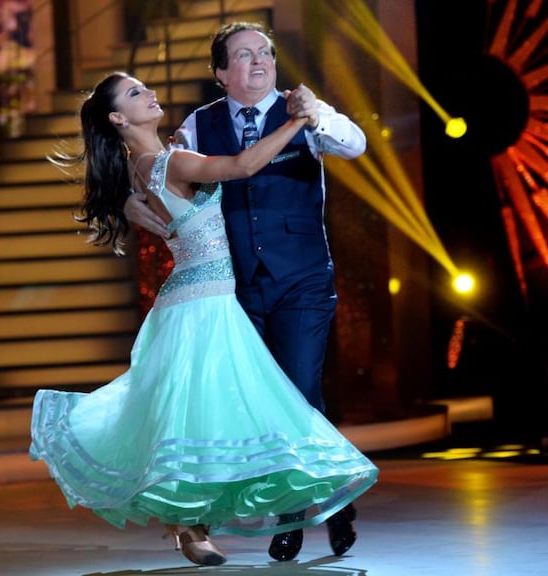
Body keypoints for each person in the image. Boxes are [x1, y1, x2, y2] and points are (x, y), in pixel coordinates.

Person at [29, 71, 378, 568]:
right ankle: (194, 526)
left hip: (195, 301)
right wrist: (298, 119)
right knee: (213, 416)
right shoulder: (169, 160)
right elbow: (242, 165)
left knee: (197, 418)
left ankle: (189, 528)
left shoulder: (140, 165)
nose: (150, 93)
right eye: (135, 93)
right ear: (117, 118)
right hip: (202, 307)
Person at [123, 22, 367, 561]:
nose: (258, 63)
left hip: (302, 278)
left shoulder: (301, 107)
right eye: (243, 55)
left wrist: (317, 113)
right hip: (235, 287)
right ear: (220, 74)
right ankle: (327, 497)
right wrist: (128, 201)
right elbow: (156, 168)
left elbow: (354, 144)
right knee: (259, 402)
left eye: (266, 54)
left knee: (299, 390)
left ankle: (295, 514)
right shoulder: (198, 124)